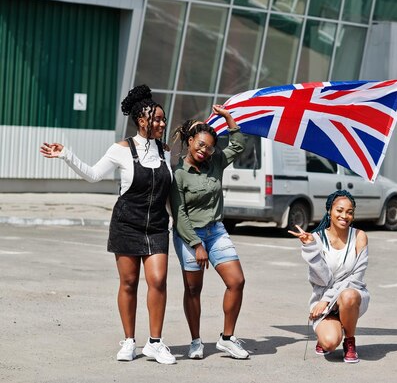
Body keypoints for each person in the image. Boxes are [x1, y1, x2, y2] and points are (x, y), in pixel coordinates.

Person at [39, 85, 176, 364]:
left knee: (158, 281)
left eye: (163, 119)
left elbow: (171, 192)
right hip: (126, 223)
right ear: (142, 121)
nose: (162, 123)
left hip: (157, 226)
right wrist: (66, 154)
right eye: (158, 119)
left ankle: (155, 343)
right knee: (128, 283)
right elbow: (92, 175)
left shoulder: (166, 152)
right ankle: (128, 341)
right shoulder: (121, 149)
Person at [169, 108, 248, 360]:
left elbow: (238, 145)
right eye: (201, 145)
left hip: (216, 231)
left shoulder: (215, 162)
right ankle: (195, 341)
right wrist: (196, 244)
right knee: (193, 289)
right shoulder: (178, 174)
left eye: (210, 147)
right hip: (189, 234)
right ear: (190, 141)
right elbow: (179, 214)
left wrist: (228, 118)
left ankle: (227, 339)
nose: (205, 151)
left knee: (236, 281)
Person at [289, 190, 369, 363]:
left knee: (349, 294)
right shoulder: (316, 238)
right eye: (339, 210)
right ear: (329, 212)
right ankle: (329, 332)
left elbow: (356, 278)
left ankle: (349, 341)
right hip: (324, 303)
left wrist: (326, 299)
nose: (344, 216)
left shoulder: (359, 236)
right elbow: (322, 280)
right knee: (330, 343)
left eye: (349, 212)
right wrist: (311, 248)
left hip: (352, 298)